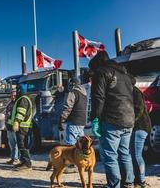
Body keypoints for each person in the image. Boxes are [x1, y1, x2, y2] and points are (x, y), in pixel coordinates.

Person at [89, 50, 135, 188]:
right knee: (124, 154)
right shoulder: (125, 75)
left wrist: (95, 118)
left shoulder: (101, 72)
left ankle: (113, 185)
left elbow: (98, 98)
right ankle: (128, 183)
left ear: (97, 64)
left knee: (109, 156)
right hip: (129, 119)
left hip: (112, 120)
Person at [131, 85, 151, 188]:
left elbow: (139, 108)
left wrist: (131, 121)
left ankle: (141, 180)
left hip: (140, 126)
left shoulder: (134, 91)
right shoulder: (132, 90)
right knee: (135, 154)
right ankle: (138, 179)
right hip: (139, 126)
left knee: (136, 155)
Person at [58, 77, 87, 145]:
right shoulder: (84, 94)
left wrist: (61, 120)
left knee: (71, 144)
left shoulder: (73, 93)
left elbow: (67, 108)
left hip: (74, 122)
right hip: (82, 122)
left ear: (73, 84)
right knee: (81, 145)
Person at [10, 88, 33, 171]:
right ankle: (23, 161)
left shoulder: (23, 99)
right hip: (24, 126)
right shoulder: (24, 98)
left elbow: (21, 112)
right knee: (22, 145)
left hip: (22, 126)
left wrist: (17, 121)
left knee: (22, 145)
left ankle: (27, 163)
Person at [5, 90, 19, 165]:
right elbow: (6, 115)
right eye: (12, 95)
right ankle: (12, 158)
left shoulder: (18, 104)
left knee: (17, 144)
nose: (13, 97)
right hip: (9, 127)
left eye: (14, 95)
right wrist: (5, 125)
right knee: (12, 145)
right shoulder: (9, 104)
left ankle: (16, 159)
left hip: (15, 127)